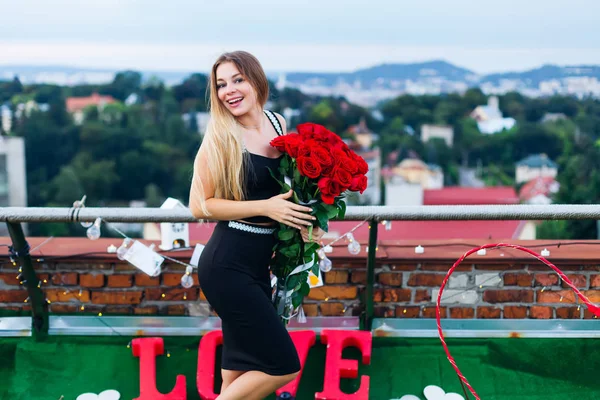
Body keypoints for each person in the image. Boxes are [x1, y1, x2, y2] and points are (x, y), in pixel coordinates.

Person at [189, 51, 324, 400]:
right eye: (221, 84)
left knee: (236, 371)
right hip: (227, 265)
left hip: (258, 266)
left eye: (237, 80)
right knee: (284, 366)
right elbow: (199, 205)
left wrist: (308, 220)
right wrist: (266, 208)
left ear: (256, 81)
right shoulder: (221, 136)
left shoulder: (276, 123)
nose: (229, 90)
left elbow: (286, 191)